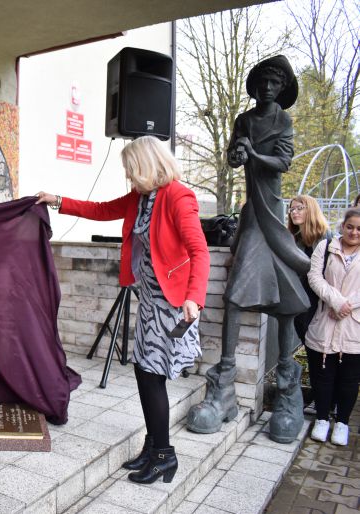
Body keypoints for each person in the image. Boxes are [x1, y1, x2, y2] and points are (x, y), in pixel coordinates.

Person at [36, 135, 210, 484]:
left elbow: (200, 251)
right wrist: (57, 201)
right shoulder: (142, 198)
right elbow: (101, 210)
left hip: (172, 303)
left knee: (151, 375)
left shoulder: (178, 196)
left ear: (147, 165)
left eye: (132, 170)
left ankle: (164, 456)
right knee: (143, 372)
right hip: (149, 300)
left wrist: (195, 297)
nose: (129, 177)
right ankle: (154, 445)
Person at [188, 55, 310, 443]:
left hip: (272, 214)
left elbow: (282, 162)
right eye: (263, 81)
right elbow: (232, 157)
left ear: (282, 89)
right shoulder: (244, 120)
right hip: (252, 216)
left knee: (285, 298)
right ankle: (224, 387)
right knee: (237, 296)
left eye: (275, 83)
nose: (268, 88)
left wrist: (254, 155)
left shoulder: (284, 121)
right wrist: (237, 154)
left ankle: (288, 390)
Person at [305, 207, 360, 446]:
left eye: (359, 229)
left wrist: (347, 306)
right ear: (342, 226)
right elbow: (314, 277)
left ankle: (343, 423)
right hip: (325, 320)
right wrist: (335, 301)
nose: (354, 232)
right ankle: (321, 419)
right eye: (350, 227)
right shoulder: (325, 247)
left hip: (354, 325)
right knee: (322, 375)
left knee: (349, 379)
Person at [288, 195, 331, 342]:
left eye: (299, 208)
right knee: (304, 334)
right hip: (301, 297)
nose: (294, 212)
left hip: (321, 298)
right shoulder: (294, 238)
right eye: (292, 209)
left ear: (311, 210)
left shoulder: (326, 237)